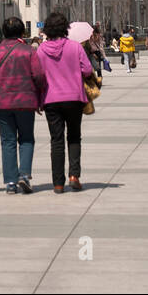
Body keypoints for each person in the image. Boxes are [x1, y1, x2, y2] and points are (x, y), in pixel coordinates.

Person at [0, 17, 47, 194]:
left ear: (4, 32)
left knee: (8, 141)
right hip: (25, 102)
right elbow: (39, 76)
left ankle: (10, 182)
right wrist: (41, 97)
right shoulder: (29, 51)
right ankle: (24, 174)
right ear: (22, 32)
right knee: (26, 139)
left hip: (2, 103)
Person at [37, 10, 95, 193]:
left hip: (50, 100)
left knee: (56, 140)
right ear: (65, 28)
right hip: (74, 98)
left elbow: (37, 76)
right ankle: (74, 175)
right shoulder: (75, 47)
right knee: (74, 136)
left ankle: (58, 183)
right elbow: (87, 70)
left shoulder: (40, 50)